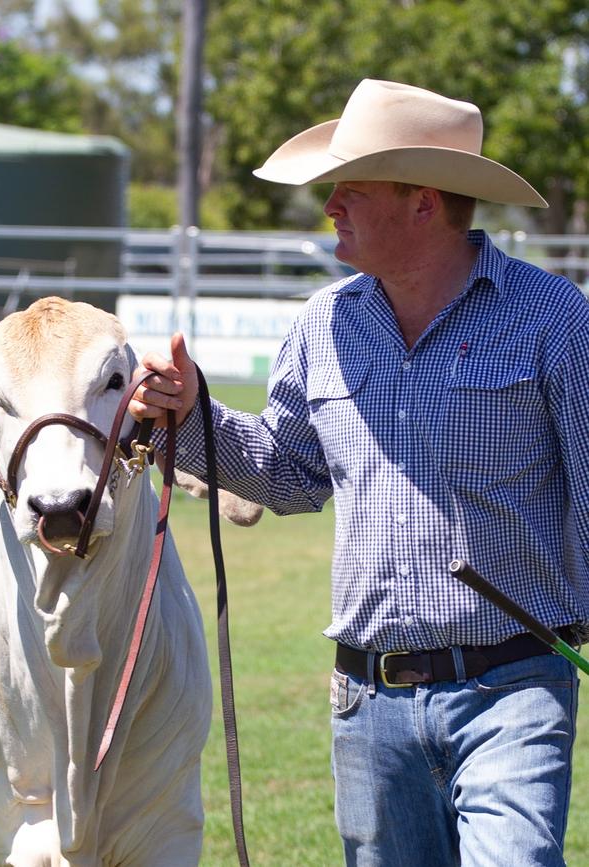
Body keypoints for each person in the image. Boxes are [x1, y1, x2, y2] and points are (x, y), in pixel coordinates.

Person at [129, 79, 589, 866]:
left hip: (515, 688)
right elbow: (283, 472)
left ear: (423, 202)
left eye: (352, 187)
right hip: (366, 701)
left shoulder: (554, 319)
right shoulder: (323, 324)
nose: (331, 204)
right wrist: (193, 411)